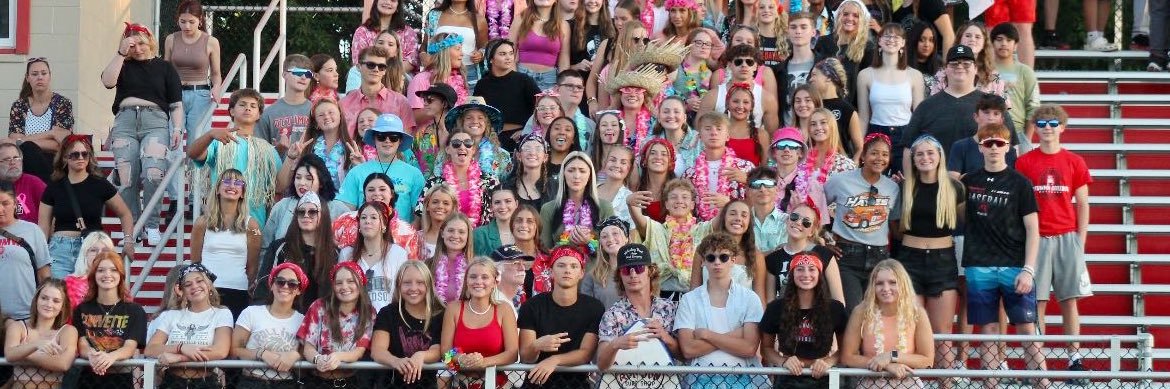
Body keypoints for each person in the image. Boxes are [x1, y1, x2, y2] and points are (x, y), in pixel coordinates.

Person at [962, 123, 1050, 387]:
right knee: (988, 331)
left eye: (999, 143)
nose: (993, 148)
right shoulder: (967, 181)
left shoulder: (1020, 183)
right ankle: (991, 385)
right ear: (980, 147)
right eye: (988, 143)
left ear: (1008, 147)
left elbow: (1033, 229)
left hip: (1014, 266)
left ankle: (1043, 384)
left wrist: (1029, 270)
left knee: (1027, 330)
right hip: (979, 265)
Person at [1015, 105, 1094, 381]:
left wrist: (1079, 242)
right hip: (1037, 238)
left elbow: (1083, 204)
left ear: (1062, 127)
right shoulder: (1024, 162)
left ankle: (1074, 359)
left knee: (1069, 301)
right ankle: (1038, 362)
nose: (1047, 128)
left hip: (1066, 237)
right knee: (1037, 303)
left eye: (1052, 123)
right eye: (1041, 123)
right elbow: (1019, 205)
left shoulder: (1074, 161)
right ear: (1035, 128)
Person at [102, 22, 183, 246]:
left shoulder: (165, 68)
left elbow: (176, 104)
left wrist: (177, 128)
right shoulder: (122, 64)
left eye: (141, 44)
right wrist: (120, 53)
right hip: (125, 122)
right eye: (132, 45)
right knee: (126, 178)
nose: (137, 49)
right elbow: (107, 81)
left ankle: (152, 225)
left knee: (153, 172)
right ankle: (134, 227)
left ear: (150, 42)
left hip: (155, 122)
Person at [897, 134, 964, 373]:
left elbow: (965, 221)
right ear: (913, 159)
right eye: (919, 154)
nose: (925, 158)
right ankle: (909, 385)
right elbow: (895, 227)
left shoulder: (955, 188)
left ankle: (946, 384)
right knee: (909, 330)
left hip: (942, 261)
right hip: (909, 261)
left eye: (930, 153)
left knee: (942, 333)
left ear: (940, 156)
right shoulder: (904, 187)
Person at [902, 45, 1019, 174]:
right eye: (954, 63)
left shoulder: (992, 105)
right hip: (936, 181)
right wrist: (909, 181)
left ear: (975, 68)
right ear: (945, 69)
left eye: (966, 64)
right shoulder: (926, 106)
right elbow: (908, 147)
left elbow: (1012, 145)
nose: (960, 67)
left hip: (983, 183)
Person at [675, 232, 763, 388]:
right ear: (703, 261)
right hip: (700, 379)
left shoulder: (750, 298)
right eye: (711, 257)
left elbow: (749, 348)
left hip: (742, 378)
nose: (717, 262)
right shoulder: (689, 300)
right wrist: (736, 335)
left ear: (733, 260)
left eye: (723, 257)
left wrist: (707, 335)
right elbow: (688, 349)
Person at [39, 136, 135, 278]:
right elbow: (43, 225)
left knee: (91, 290)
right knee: (59, 290)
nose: (80, 158)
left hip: (92, 248)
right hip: (60, 249)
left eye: (85, 154)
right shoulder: (54, 186)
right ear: (65, 158)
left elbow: (125, 213)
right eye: (75, 154)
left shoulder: (100, 184)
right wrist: (41, 255)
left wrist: (128, 241)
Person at [824, 133, 900, 311]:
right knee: (853, 312)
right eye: (874, 153)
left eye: (884, 154)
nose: (879, 158)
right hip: (847, 255)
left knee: (876, 314)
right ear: (863, 155)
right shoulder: (841, 180)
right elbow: (816, 209)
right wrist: (824, 238)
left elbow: (895, 226)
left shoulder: (893, 188)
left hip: (879, 257)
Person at [188, 88, 282, 227]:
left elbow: (280, 185)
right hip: (219, 222)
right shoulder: (219, 141)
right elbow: (193, 153)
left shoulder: (267, 149)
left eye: (253, 106)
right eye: (242, 104)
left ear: (259, 114)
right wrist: (210, 135)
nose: (248, 108)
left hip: (255, 223)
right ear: (232, 111)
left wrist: (291, 158)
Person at [519, 245, 605, 388]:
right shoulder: (532, 306)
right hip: (537, 383)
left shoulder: (594, 308)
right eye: (561, 265)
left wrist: (554, 360)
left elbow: (586, 353)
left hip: (576, 384)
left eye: (574, 266)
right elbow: (526, 357)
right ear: (551, 271)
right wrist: (536, 345)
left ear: (581, 273)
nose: (567, 270)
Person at [840, 259, 935, 389]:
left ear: (903, 284)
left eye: (892, 282)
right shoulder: (861, 312)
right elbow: (847, 357)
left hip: (907, 384)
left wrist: (891, 356)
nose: (886, 288)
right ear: (873, 286)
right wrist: (885, 366)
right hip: (871, 384)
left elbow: (927, 360)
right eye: (879, 283)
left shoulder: (917, 313)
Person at [596, 243, 681, 387]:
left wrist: (666, 338)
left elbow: (684, 356)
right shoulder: (612, 314)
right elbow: (601, 364)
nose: (633, 274)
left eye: (639, 268)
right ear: (620, 275)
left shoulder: (670, 308)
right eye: (626, 270)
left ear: (650, 271)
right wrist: (615, 345)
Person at [760, 250, 848, 388]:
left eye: (812, 269)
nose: (806, 274)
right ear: (792, 274)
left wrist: (828, 362)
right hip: (789, 376)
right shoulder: (776, 308)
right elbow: (766, 348)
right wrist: (783, 361)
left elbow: (845, 348)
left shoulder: (835, 308)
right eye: (800, 269)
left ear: (819, 273)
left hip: (824, 376)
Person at [145, 263, 233, 389]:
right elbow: (151, 349)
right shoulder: (172, 315)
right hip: (172, 382)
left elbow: (220, 350)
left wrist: (179, 357)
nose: (194, 286)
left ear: (209, 285)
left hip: (205, 383)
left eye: (199, 281)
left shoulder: (222, 313)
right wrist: (181, 347)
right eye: (188, 284)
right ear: (182, 291)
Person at [190, 169, 262, 318]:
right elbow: (195, 262)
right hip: (207, 291)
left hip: (238, 291)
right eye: (227, 181)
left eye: (238, 183)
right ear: (217, 189)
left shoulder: (252, 226)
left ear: (243, 193)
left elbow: (253, 267)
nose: (232, 186)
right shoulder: (201, 223)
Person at [439, 258, 520, 388]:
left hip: (496, 383)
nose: (478, 281)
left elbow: (512, 354)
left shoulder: (504, 309)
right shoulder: (453, 308)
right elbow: (445, 353)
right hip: (461, 383)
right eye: (473, 277)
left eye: (484, 277)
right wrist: (461, 359)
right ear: (466, 281)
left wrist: (483, 362)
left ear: (494, 282)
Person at [857, 23, 924, 176]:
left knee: (904, 180)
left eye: (896, 37)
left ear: (903, 43)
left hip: (905, 133)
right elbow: (863, 117)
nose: (891, 39)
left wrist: (918, 145)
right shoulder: (865, 75)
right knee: (875, 181)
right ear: (879, 41)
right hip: (876, 132)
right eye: (887, 36)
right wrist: (860, 148)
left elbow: (919, 116)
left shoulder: (915, 75)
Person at [297, 262, 377, 388]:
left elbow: (359, 352)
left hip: (350, 381)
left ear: (360, 283)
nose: (344, 286)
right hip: (317, 381)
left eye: (350, 281)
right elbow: (308, 349)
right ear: (333, 286)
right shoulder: (318, 306)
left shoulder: (368, 313)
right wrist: (318, 359)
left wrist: (338, 357)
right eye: (339, 283)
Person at [73, 251, 146, 388]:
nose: (107, 274)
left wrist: (110, 357)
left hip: (121, 379)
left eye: (113, 270)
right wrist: (93, 356)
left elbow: (130, 347)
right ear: (94, 275)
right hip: (88, 378)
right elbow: (82, 345)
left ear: (121, 275)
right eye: (101, 270)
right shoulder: (81, 309)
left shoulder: (135, 311)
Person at [258, 192, 340, 311]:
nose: (306, 215)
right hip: (283, 317)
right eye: (301, 212)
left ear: (323, 215)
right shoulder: (279, 248)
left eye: (312, 212)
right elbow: (263, 286)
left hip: (321, 319)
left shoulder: (335, 254)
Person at [337, 114, 426, 221]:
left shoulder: (414, 174)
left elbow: (419, 215)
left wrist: (407, 231)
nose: (387, 141)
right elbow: (345, 212)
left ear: (400, 141)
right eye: (381, 136)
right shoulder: (356, 172)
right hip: (365, 230)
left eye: (393, 137)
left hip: (401, 231)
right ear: (374, 139)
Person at [230, 262, 306, 389]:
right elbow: (234, 350)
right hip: (252, 382)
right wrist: (262, 354)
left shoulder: (302, 320)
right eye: (280, 282)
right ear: (272, 285)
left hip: (286, 384)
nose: (285, 286)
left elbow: (307, 351)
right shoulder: (251, 313)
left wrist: (296, 355)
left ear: (298, 290)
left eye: (292, 284)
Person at [371, 262, 444, 388]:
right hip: (392, 385)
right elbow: (377, 351)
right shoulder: (388, 313)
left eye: (420, 282)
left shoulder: (440, 315)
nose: (413, 288)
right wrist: (395, 361)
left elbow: (443, 350)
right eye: (407, 283)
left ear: (428, 285)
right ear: (398, 286)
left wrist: (421, 356)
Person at [263, 154, 350, 253]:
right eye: (298, 177)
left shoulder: (339, 210)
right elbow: (265, 246)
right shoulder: (282, 206)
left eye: (308, 178)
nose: (302, 183)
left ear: (321, 182)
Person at [164, 0, 223, 141]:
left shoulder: (211, 41)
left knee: (197, 140)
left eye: (191, 22)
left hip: (200, 94)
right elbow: (165, 69)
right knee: (173, 138)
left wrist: (216, 86)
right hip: (175, 93)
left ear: (200, 20)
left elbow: (216, 73)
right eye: (183, 22)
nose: (187, 26)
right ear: (178, 20)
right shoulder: (171, 39)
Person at [7, 57, 72, 182]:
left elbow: (60, 145)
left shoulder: (62, 103)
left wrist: (24, 141)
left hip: (54, 163)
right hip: (25, 162)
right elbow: (15, 142)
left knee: (28, 147)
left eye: (44, 73)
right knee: (26, 150)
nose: (40, 77)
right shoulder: (19, 106)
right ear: (27, 78)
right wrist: (51, 134)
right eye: (34, 74)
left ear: (50, 76)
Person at [3, 279, 77, 388]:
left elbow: (64, 364)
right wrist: (36, 344)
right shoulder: (18, 327)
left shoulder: (68, 331)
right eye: (44, 298)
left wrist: (25, 354)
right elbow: (10, 354)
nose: (49, 304)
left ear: (62, 306)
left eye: (56, 301)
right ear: (36, 300)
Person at [766, 200, 845, 301]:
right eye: (794, 217)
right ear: (787, 220)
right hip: (785, 311)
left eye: (806, 222)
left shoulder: (824, 254)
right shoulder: (773, 259)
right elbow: (770, 303)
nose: (798, 222)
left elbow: (838, 300)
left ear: (812, 231)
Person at [420, 130, 502, 227]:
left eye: (468, 143)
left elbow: (500, 214)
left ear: (473, 150)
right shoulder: (434, 184)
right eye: (456, 143)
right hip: (444, 235)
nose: (462, 147)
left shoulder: (490, 182)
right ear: (448, 149)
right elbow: (421, 216)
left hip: (481, 235)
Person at [539, 151, 613, 256]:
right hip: (561, 265)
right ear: (563, 174)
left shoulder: (605, 208)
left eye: (582, 171)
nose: (576, 176)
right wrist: (569, 243)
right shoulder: (548, 209)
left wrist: (589, 242)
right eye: (571, 170)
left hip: (595, 266)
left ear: (590, 176)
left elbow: (612, 250)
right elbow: (544, 252)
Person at [340, 201, 410, 312]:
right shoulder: (347, 253)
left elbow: (402, 293)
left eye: (373, 217)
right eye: (363, 218)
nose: (367, 221)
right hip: (354, 319)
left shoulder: (398, 254)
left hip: (386, 319)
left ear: (384, 225)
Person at [685, 112, 755, 221]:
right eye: (708, 129)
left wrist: (748, 181)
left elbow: (758, 204)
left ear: (727, 136)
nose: (713, 133)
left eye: (719, 129)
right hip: (702, 227)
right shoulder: (690, 174)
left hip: (736, 225)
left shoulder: (745, 168)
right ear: (700, 136)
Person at [334, 173, 421, 260]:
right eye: (371, 190)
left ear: (392, 193)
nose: (376, 193)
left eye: (382, 189)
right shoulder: (345, 220)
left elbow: (411, 263)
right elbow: (330, 246)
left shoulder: (406, 231)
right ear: (364, 194)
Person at [474, 39, 542, 149]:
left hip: (518, 138)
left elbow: (541, 106)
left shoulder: (524, 80)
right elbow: (476, 113)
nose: (508, 57)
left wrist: (526, 131)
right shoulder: (482, 84)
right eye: (502, 54)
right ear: (491, 59)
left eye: (511, 53)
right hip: (489, 140)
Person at [0, 181, 51, 322]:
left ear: (15, 203)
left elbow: (44, 274)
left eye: (5, 203)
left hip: (25, 315)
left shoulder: (32, 230)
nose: (0, 209)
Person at [703, 45, 781, 132]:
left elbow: (771, 134)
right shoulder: (713, 95)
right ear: (729, 65)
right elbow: (700, 128)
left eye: (749, 62)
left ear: (755, 66)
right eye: (738, 62)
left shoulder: (767, 98)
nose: (744, 65)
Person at [340, 46, 416, 134]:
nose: (376, 70)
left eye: (381, 66)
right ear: (358, 67)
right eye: (371, 65)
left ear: (385, 71)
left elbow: (406, 139)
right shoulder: (344, 104)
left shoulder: (401, 103)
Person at [282, 99, 357, 188]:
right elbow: (284, 186)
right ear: (316, 123)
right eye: (321, 115)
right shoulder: (308, 148)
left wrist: (359, 166)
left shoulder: (352, 148)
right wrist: (291, 158)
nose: (326, 117)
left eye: (331, 112)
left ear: (340, 116)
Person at [813, 0, 874, 105]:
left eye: (855, 16)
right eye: (845, 14)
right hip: (825, 106)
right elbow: (816, 76)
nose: (850, 18)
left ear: (862, 20)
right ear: (838, 16)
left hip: (854, 108)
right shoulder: (823, 42)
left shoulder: (867, 47)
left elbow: (869, 85)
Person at [990, 23, 1041, 146]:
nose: (1004, 44)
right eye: (999, 39)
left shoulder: (1025, 72)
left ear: (1016, 45)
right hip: (988, 132)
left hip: (1017, 133)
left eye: (1009, 40)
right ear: (992, 43)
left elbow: (1033, 106)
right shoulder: (984, 70)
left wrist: (1026, 138)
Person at [351, 0, 419, 88]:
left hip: (398, 75)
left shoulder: (408, 32)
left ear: (398, 6)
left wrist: (388, 73)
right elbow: (359, 60)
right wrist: (377, 72)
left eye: (393, 0)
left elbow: (412, 61)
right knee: (354, 71)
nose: (387, 2)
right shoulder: (362, 31)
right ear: (376, 2)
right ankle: (355, 97)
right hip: (370, 74)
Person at [409, 33, 472, 127]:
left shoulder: (460, 79)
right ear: (444, 52)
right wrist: (439, 107)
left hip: (456, 133)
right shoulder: (421, 79)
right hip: (430, 134)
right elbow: (413, 117)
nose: (462, 54)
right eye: (457, 49)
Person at [443, 96, 514, 179]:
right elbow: (437, 182)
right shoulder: (447, 153)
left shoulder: (502, 155)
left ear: (487, 123)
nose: (475, 121)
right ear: (461, 122)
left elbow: (507, 184)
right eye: (469, 118)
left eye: (480, 118)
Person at [254, 54, 314, 153]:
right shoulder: (268, 113)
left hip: (311, 163)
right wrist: (276, 150)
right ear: (284, 74)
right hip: (278, 163)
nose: (303, 77)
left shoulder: (317, 111)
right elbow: (259, 152)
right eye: (298, 72)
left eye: (308, 74)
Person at [770, 127, 829, 223]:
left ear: (800, 153)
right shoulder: (763, 181)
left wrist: (798, 212)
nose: (786, 149)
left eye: (793, 145)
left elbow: (820, 223)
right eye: (781, 145)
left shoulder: (812, 183)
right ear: (774, 152)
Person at [423, 0, 487, 88]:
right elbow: (425, 45)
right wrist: (423, 55)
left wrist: (481, 54)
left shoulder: (479, 19)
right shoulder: (434, 15)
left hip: (469, 74)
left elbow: (484, 46)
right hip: (439, 72)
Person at [511, 0, 571, 90]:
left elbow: (564, 62)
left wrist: (562, 86)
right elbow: (509, 52)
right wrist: (513, 78)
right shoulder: (520, 19)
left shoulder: (563, 25)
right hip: (521, 76)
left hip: (550, 80)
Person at [809, 58, 863, 158]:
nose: (810, 79)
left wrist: (853, 163)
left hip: (839, 163)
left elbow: (859, 147)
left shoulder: (847, 110)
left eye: (814, 75)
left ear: (828, 77)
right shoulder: (811, 106)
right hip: (814, 162)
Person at [428, 213, 477, 304]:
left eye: (461, 232)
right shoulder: (428, 265)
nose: (455, 235)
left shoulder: (476, 267)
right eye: (451, 230)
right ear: (442, 233)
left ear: (468, 236)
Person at [581, 216, 630, 308]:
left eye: (615, 233)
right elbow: (586, 310)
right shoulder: (592, 276)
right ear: (601, 244)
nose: (610, 239)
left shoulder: (639, 271)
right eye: (604, 236)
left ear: (626, 238)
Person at [413, 83, 458, 176]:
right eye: (424, 100)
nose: (425, 103)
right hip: (426, 184)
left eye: (430, 100)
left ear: (444, 103)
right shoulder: (422, 133)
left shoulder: (459, 132)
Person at [671, 30, 716, 120]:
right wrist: (685, 104)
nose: (704, 47)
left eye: (708, 44)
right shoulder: (675, 68)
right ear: (689, 45)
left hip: (698, 121)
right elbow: (665, 95)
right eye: (699, 42)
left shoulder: (708, 73)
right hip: (675, 118)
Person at [64, 232, 117, 307]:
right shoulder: (69, 283)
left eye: (105, 250)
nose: (99, 254)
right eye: (93, 250)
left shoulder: (117, 283)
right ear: (85, 254)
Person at [744, 167, 787, 253]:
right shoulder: (742, 221)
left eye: (768, 184)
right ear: (748, 191)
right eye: (756, 185)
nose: (762, 189)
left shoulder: (787, 221)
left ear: (776, 189)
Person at [0, 143, 45, 225]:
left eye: (16, 158)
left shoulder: (34, 182)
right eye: (7, 159)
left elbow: (51, 212)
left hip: (31, 232)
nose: (12, 162)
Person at [473, 187, 520, 255]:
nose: (503, 207)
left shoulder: (526, 231)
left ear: (516, 204)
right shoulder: (479, 235)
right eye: (497, 202)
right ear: (491, 207)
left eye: (508, 201)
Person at [417, 185, 459, 258]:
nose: (440, 206)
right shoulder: (416, 238)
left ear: (453, 208)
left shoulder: (458, 238)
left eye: (446, 203)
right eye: (435, 202)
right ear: (427, 206)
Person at [492, 245, 535, 310]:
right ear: (497, 269)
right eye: (515, 263)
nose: (522, 268)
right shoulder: (490, 302)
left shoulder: (521, 300)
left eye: (523, 264)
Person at [906, 23, 942, 93]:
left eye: (931, 40)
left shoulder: (941, 67)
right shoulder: (903, 67)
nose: (926, 44)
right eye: (922, 40)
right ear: (914, 40)